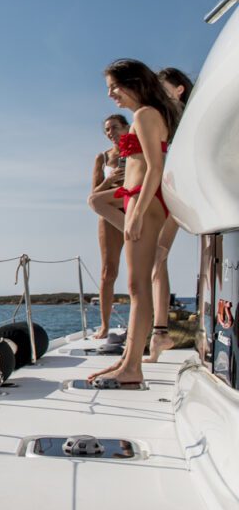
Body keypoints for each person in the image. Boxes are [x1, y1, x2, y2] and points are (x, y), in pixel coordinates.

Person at [87, 59, 180, 387]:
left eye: (114, 86)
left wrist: (137, 213)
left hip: (145, 200)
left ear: (133, 83)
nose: (111, 93)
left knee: (138, 288)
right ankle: (128, 361)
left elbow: (155, 166)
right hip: (137, 196)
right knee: (136, 286)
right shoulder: (151, 113)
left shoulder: (145, 115)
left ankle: (131, 367)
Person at [143, 68, 195, 362]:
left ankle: (160, 333)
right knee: (157, 259)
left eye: (163, 88)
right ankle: (159, 334)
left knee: (157, 256)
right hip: (170, 193)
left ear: (179, 90)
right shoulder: (171, 123)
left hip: (180, 193)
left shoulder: (188, 122)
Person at [90, 114, 128, 338]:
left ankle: (148, 323)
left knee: (144, 269)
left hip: (132, 208)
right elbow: (94, 194)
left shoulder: (137, 150)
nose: (111, 132)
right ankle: (104, 326)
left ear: (126, 128)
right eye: (107, 130)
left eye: (115, 127)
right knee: (108, 271)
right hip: (108, 213)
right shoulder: (102, 158)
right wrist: (110, 180)